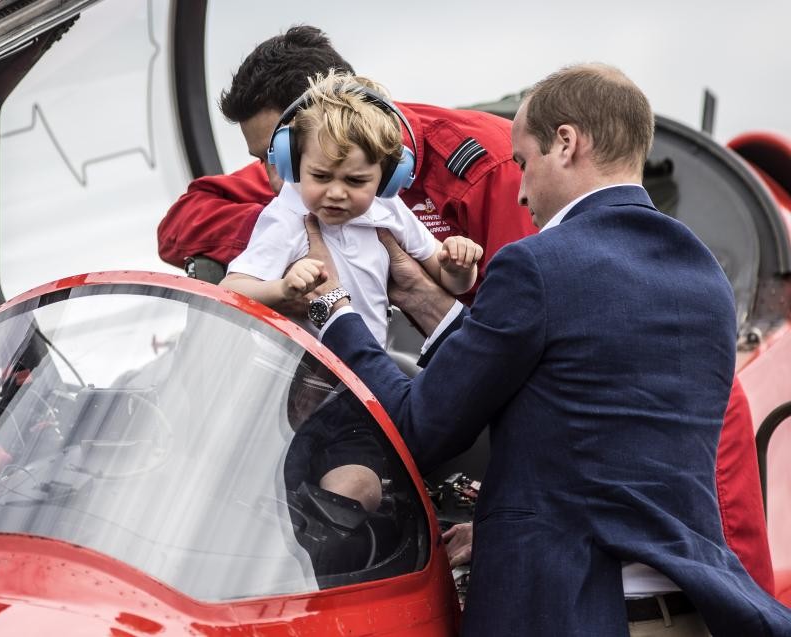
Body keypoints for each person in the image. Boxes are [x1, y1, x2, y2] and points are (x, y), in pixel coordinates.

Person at [305, 64, 791, 635]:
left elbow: (420, 423)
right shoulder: (703, 277)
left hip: (571, 615)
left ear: (566, 143)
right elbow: (594, 429)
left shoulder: (536, 264)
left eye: (522, 161)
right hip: (689, 613)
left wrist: (333, 310)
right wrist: (421, 295)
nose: (520, 187)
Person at [157, 25, 535, 302]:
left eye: (278, 152)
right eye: (270, 159)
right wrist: (290, 234)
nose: (276, 180)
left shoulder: (493, 165)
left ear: (332, 113)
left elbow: (519, 317)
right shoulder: (301, 180)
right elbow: (179, 225)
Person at [221, 71, 482, 346]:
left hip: (367, 369)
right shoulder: (287, 218)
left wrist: (460, 266)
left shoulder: (388, 208)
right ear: (293, 164)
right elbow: (230, 291)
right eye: (320, 176)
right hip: (307, 375)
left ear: (389, 179)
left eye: (355, 181)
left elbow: (452, 281)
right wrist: (282, 289)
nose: (335, 193)